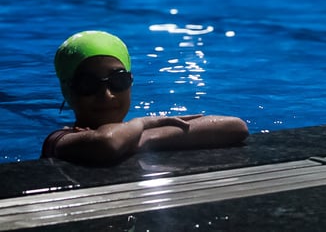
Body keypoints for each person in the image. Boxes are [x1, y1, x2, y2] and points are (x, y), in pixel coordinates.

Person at [42, 30, 250, 165]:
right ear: (67, 91)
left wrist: (138, 138)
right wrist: (144, 122)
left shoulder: (135, 132)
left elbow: (235, 127)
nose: (107, 95)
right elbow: (108, 142)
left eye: (118, 81)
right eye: (88, 84)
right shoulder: (58, 141)